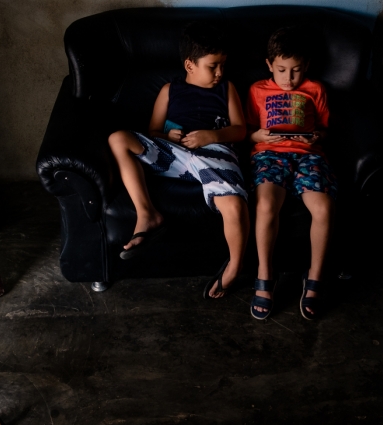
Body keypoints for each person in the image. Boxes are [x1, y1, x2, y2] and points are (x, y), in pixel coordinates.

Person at [108, 21, 249, 299]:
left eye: (223, 65)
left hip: (215, 153)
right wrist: (166, 136)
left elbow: (241, 130)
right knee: (118, 139)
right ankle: (147, 214)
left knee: (233, 203)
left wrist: (211, 136)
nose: (220, 72)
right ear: (189, 65)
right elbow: (152, 131)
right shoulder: (169, 90)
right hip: (175, 153)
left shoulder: (226, 88)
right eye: (213, 66)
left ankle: (235, 265)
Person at [245, 26, 338, 320]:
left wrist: (315, 138)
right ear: (270, 65)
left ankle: (315, 276)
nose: (289, 78)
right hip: (269, 154)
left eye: (296, 71)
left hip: (308, 156)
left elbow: (323, 130)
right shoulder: (257, 90)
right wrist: (257, 136)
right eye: (282, 70)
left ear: (306, 67)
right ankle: (265, 273)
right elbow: (246, 130)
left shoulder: (316, 90)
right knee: (266, 205)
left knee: (322, 208)